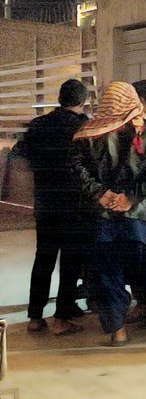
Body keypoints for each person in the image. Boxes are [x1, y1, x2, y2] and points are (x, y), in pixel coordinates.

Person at [70, 81, 146, 346]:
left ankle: (118, 332)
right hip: (141, 218)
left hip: (102, 219)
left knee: (108, 274)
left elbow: (77, 170)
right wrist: (131, 198)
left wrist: (102, 194)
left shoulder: (86, 133)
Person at [23, 78, 90, 335]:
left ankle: (35, 316)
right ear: (83, 101)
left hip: (45, 202)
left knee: (44, 258)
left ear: (60, 98)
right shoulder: (83, 127)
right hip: (74, 204)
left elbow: (22, 155)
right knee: (71, 261)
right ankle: (61, 318)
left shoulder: (38, 125)